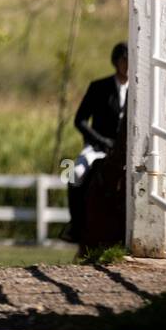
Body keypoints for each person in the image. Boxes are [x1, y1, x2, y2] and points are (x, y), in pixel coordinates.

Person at [62, 44, 128, 243]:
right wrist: (102, 141)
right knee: (75, 173)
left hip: (128, 151)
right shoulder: (99, 87)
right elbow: (80, 120)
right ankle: (75, 225)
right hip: (98, 148)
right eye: (124, 60)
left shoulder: (140, 90)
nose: (128, 65)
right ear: (116, 62)